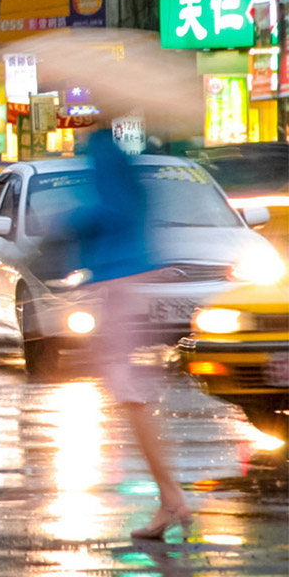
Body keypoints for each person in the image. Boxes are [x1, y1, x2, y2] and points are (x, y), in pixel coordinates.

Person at [70, 130, 188, 541]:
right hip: (126, 280)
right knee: (133, 395)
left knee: (130, 393)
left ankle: (171, 497)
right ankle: (170, 496)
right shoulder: (119, 153)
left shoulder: (104, 149)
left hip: (119, 283)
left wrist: (70, 223)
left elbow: (112, 212)